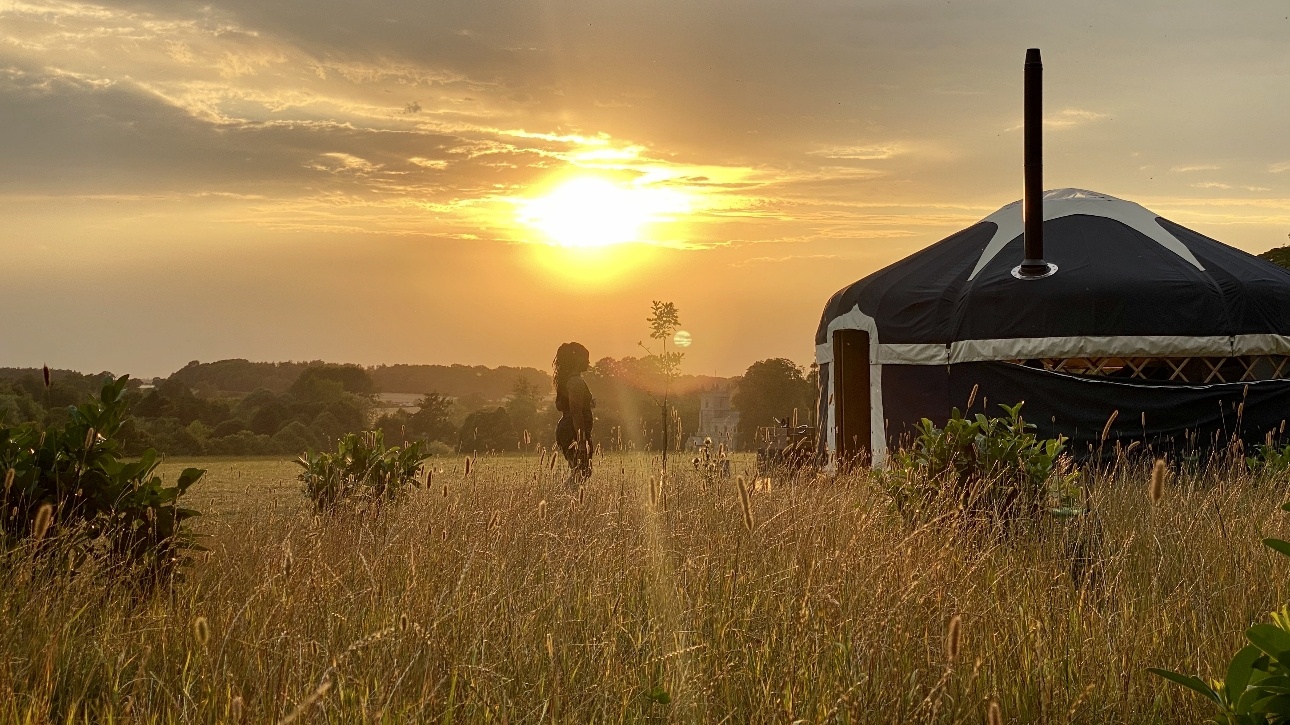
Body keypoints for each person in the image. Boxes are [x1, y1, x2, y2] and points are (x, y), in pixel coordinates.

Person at [553, 342, 594, 487]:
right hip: (573, 431)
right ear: (577, 360)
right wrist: (581, 441)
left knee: (580, 471)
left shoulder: (567, 381)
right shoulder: (576, 382)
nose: (588, 362)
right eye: (586, 358)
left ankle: (568, 500)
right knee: (582, 471)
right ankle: (563, 496)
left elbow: (561, 406)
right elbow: (576, 413)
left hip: (567, 428)